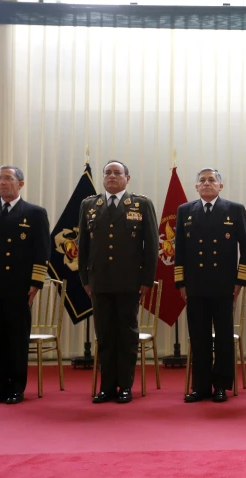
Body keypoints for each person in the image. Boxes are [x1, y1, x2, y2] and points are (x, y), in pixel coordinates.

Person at [0, 166, 50, 405]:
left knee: (16, 338)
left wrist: (35, 283)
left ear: (20, 184)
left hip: (19, 287)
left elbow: (41, 251)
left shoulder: (34, 213)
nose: (2, 183)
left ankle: (16, 386)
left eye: (8, 178)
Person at [79, 160, 158, 404]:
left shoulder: (141, 204)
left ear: (127, 178)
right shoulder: (89, 205)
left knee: (126, 334)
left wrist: (146, 279)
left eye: (117, 173)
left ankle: (125, 386)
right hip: (99, 281)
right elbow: (83, 246)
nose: (112, 176)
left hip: (129, 281)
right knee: (104, 335)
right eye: (108, 173)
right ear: (103, 178)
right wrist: (85, 279)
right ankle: (106, 386)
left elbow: (152, 246)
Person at [175, 168, 246, 403]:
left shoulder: (234, 209)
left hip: (224, 286)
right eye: (202, 180)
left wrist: (239, 282)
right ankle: (200, 386)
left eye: (212, 180)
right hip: (195, 286)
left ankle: (221, 385)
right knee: (199, 338)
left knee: (223, 338)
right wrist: (180, 282)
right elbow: (179, 250)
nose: (206, 183)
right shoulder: (185, 211)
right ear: (196, 187)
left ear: (221, 185)